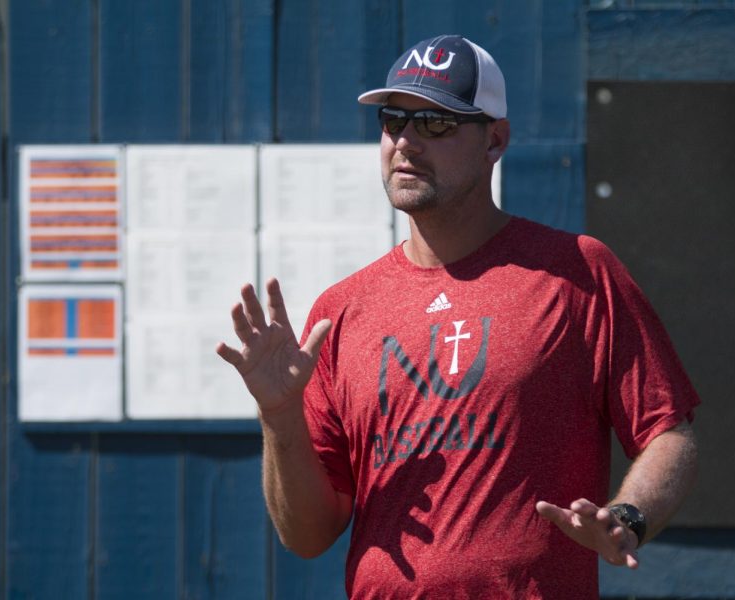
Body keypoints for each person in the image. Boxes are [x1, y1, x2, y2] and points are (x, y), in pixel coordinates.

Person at [217, 34, 699, 599]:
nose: (406, 141)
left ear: (495, 140)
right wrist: (278, 416)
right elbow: (307, 536)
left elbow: (669, 431)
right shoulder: (341, 309)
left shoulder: (578, 272)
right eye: (394, 120)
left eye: (436, 123)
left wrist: (628, 516)